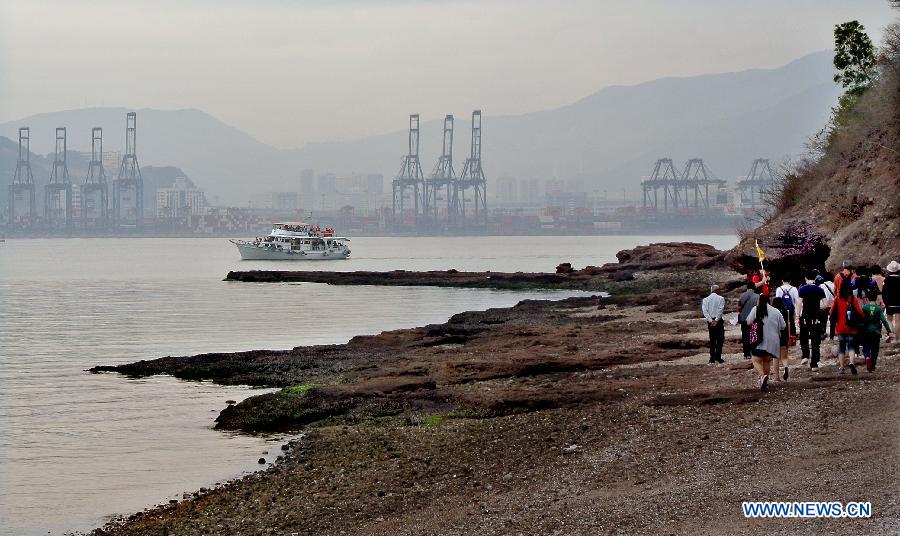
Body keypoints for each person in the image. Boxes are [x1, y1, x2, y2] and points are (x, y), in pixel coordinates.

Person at [745, 294, 786, 391]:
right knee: (766, 360)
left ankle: (762, 376)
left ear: (759, 300)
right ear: (769, 301)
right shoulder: (776, 311)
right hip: (773, 341)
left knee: (756, 360)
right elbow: (783, 326)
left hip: (760, 339)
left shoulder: (756, 309)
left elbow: (748, 322)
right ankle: (765, 383)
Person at [831, 260, 863, 374]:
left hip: (840, 325)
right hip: (851, 325)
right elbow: (860, 311)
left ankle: (841, 367)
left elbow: (831, 311)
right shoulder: (853, 297)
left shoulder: (837, 280)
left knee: (841, 347)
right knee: (851, 345)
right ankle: (852, 362)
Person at [859, 288, 893, 371]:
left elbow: (860, 319)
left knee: (866, 347)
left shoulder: (864, 308)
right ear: (876, 298)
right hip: (876, 332)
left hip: (866, 331)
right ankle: (873, 365)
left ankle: (867, 356)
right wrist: (889, 331)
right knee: (875, 349)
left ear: (867, 298)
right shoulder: (878, 309)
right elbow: (884, 320)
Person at [797, 273, 826, 369]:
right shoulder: (820, 290)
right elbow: (825, 304)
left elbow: (799, 303)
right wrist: (819, 309)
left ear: (806, 278)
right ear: (815, 279)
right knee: (815, 340)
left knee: (804, 337)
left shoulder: (802, 289)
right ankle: (814, 363)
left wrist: (797, 315)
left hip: (805, 317)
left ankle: (805, 355)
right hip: (816, 317)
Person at [702, 284, 726, 365]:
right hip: (718, 321)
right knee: (720, 339)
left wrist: (710, 320)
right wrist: (716, 320)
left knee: (712, 340)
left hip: (710, 321)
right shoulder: (721, 298)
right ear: (717, 290)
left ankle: (712, 358)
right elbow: (720, 310)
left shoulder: (705, 299)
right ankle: (718, 357)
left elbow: (705, 311)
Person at [771, 296, 791, 383]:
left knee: (775, 358)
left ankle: (777, 377)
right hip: (784, 335)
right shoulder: (786, 311)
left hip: (775, 335)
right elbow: (788, 324)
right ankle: (786, 367)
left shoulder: (772, 312)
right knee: (784, 356)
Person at [737, 282, 759, 359]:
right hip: (754, 319)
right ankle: (753, 351)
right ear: (754, 288)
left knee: (745, 336)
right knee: (754, 335)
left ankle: (746, 354)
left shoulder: (742, 296)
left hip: (743, 319)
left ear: (747, 288)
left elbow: (739, 307)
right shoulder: (757, 296)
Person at [882, 260, 900, 341]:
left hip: (889, 303)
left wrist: (885, 302)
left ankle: (891, 337)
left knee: (889, 320)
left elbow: (884, 293)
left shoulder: (887, 280)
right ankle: (897, 338)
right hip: (899, 303)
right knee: (898, 321)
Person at [818, 274, 836, 341]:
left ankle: (823, 333)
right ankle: (832, 335)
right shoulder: (834, 285)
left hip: (826, 305)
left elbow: (825, 296)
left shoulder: (822, 285)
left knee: (823, 320)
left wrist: (823, 305)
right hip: (833, 305)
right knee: (833, 321)